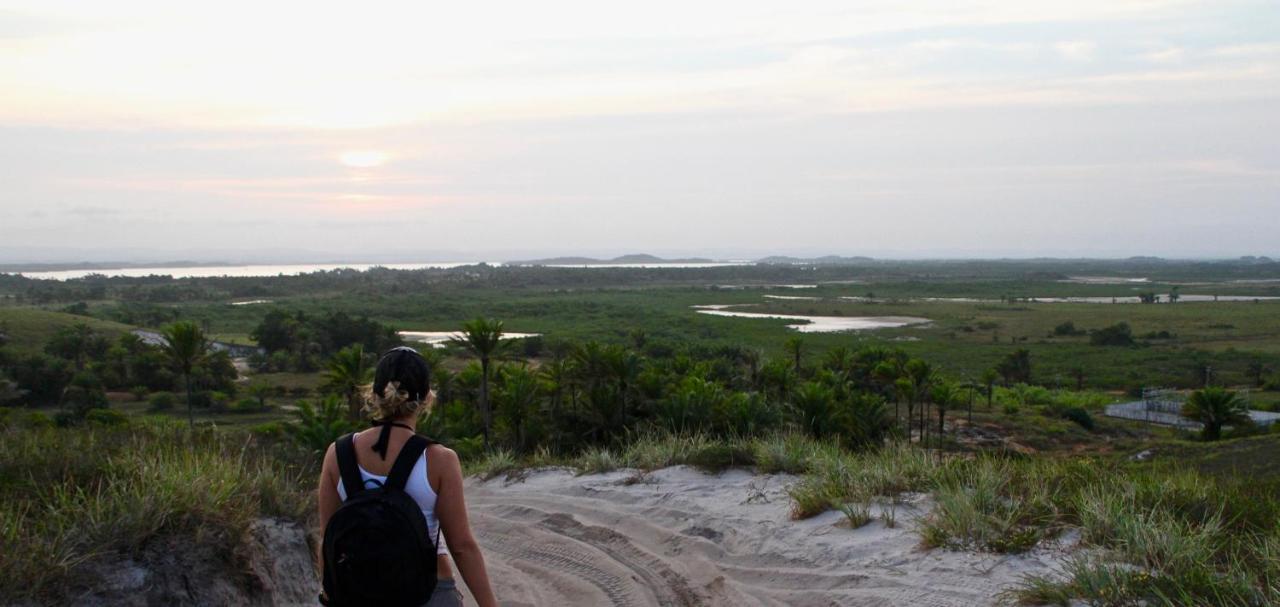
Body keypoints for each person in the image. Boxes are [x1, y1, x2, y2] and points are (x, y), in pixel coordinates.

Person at [317, 346, 498, 607]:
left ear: (375, 393)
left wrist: (330, 595)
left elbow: (327, 538)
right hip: (429, 592)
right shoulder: (439, 459)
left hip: (359, 594)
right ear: (426, 398)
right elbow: (461, 546)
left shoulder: (338, 453)